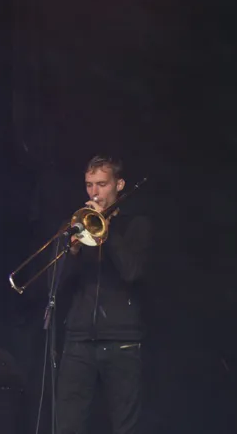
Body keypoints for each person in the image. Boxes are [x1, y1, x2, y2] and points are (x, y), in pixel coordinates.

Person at [55, 155, 152, 434]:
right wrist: (72, 252)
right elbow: (56, 284)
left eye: (102, 184)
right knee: (68, 425)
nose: (94, 193)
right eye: (89, 185)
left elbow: (132, 271)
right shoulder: (74, 225)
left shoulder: (136, 225)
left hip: (121, 340)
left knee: (125, 426)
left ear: (119, 185)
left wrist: (107, 234)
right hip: (79, 340)